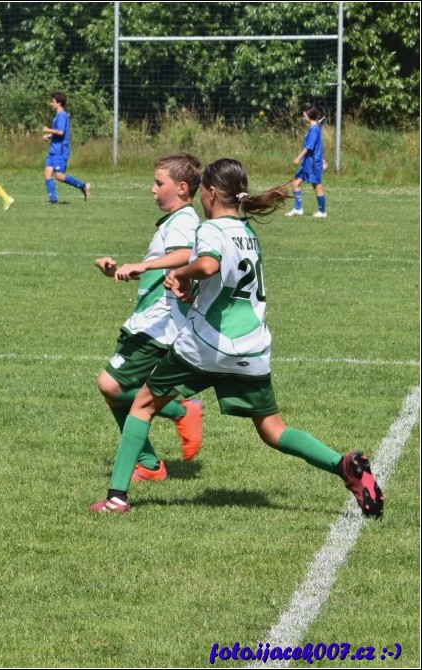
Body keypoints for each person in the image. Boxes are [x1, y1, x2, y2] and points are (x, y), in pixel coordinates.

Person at [90, 158, 384, 518]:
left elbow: (208, 265)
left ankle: (117, 498)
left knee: (142, 405)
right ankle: (344, 466)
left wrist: (181, 274)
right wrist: (192, 290)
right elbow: (226, 288)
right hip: (252, 348)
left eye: (203, 191)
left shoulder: (211, 229)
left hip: (206, 345)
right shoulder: (248, 234)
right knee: (274, 430)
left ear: (212, 192)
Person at [93, 153, 204, 482]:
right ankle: (149, 464)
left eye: (159, 183)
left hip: (160, 323)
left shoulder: (184, 220)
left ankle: (181, 412)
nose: (152, 189)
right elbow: (166, 266)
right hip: (149, 319)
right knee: (114, 389)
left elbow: (186, 254)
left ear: (181, 188)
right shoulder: (174, 220)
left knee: (111, 385)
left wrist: (143, 264)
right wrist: (120, 270)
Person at [42, 91, 90, 205]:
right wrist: (49, 136)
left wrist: (48, 130)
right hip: (53, 149)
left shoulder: (62, 116)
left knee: (59, 176)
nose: (50, 104)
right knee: (47, 173)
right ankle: (53, 201)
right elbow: (58, 132)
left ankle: (83, 186)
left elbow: (61, 132)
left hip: (60, 150)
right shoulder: (57, 116)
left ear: (59, 103)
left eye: (52, 102)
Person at [286, 105, 327, 218]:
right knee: (296, 183)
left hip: (313, 164)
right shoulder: (313, 128)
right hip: (307, 163)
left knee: (317, 186)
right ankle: (298, 209)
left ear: (309, 116)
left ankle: (322, 212)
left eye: (304, 115)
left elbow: (309, 147)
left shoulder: (314, 129)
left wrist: (298, 158)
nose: (303, 117)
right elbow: (317, 147)